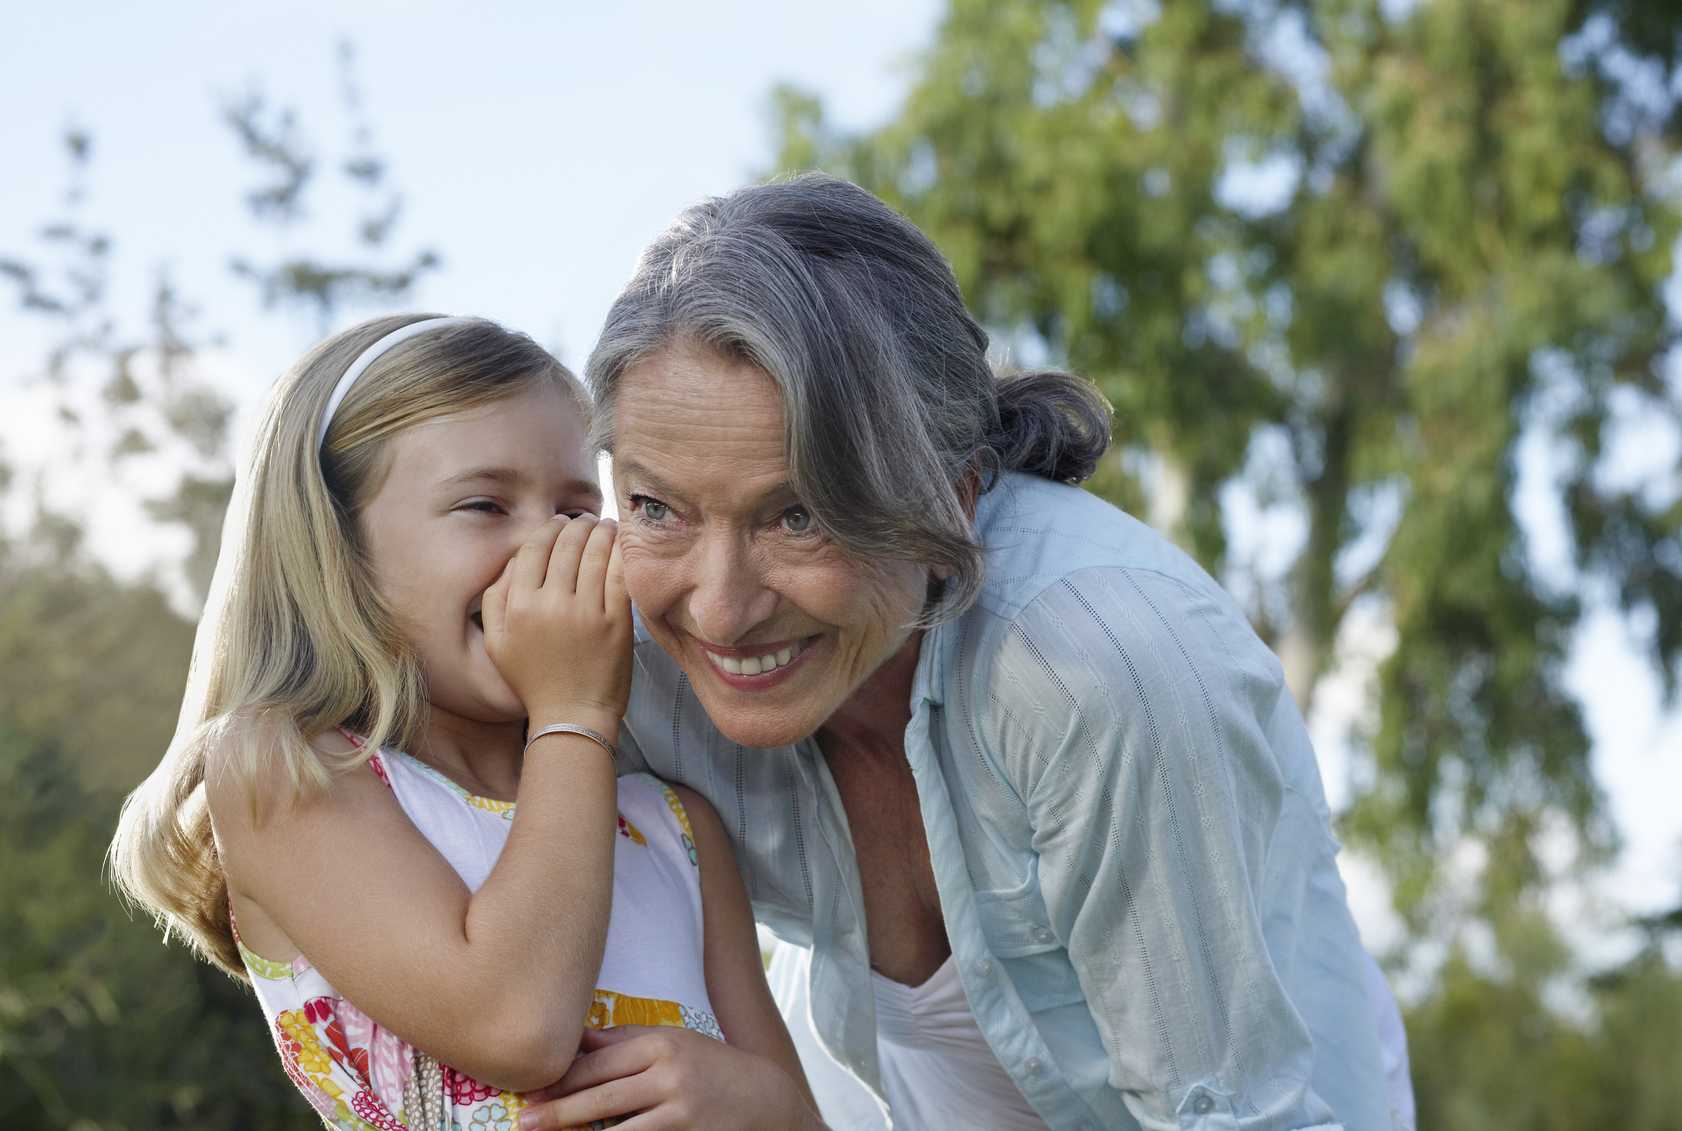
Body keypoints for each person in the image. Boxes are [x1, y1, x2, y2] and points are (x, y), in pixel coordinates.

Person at [570, 173, 1409, 1131]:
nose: (716, 609)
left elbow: (1228, 1116)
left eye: (798, 514)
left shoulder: (1097, 669)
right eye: (655, 506)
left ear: (954, 496)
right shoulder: (620, 653)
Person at [111, 314, 826, 1131]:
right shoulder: (286, 768)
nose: (544, 548)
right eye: (485, 504)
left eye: (574, 509)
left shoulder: (676, 830)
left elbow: (799, 1115)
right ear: (341, 552)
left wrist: (763, 1104)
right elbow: (516, 1024)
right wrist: (572, 713)